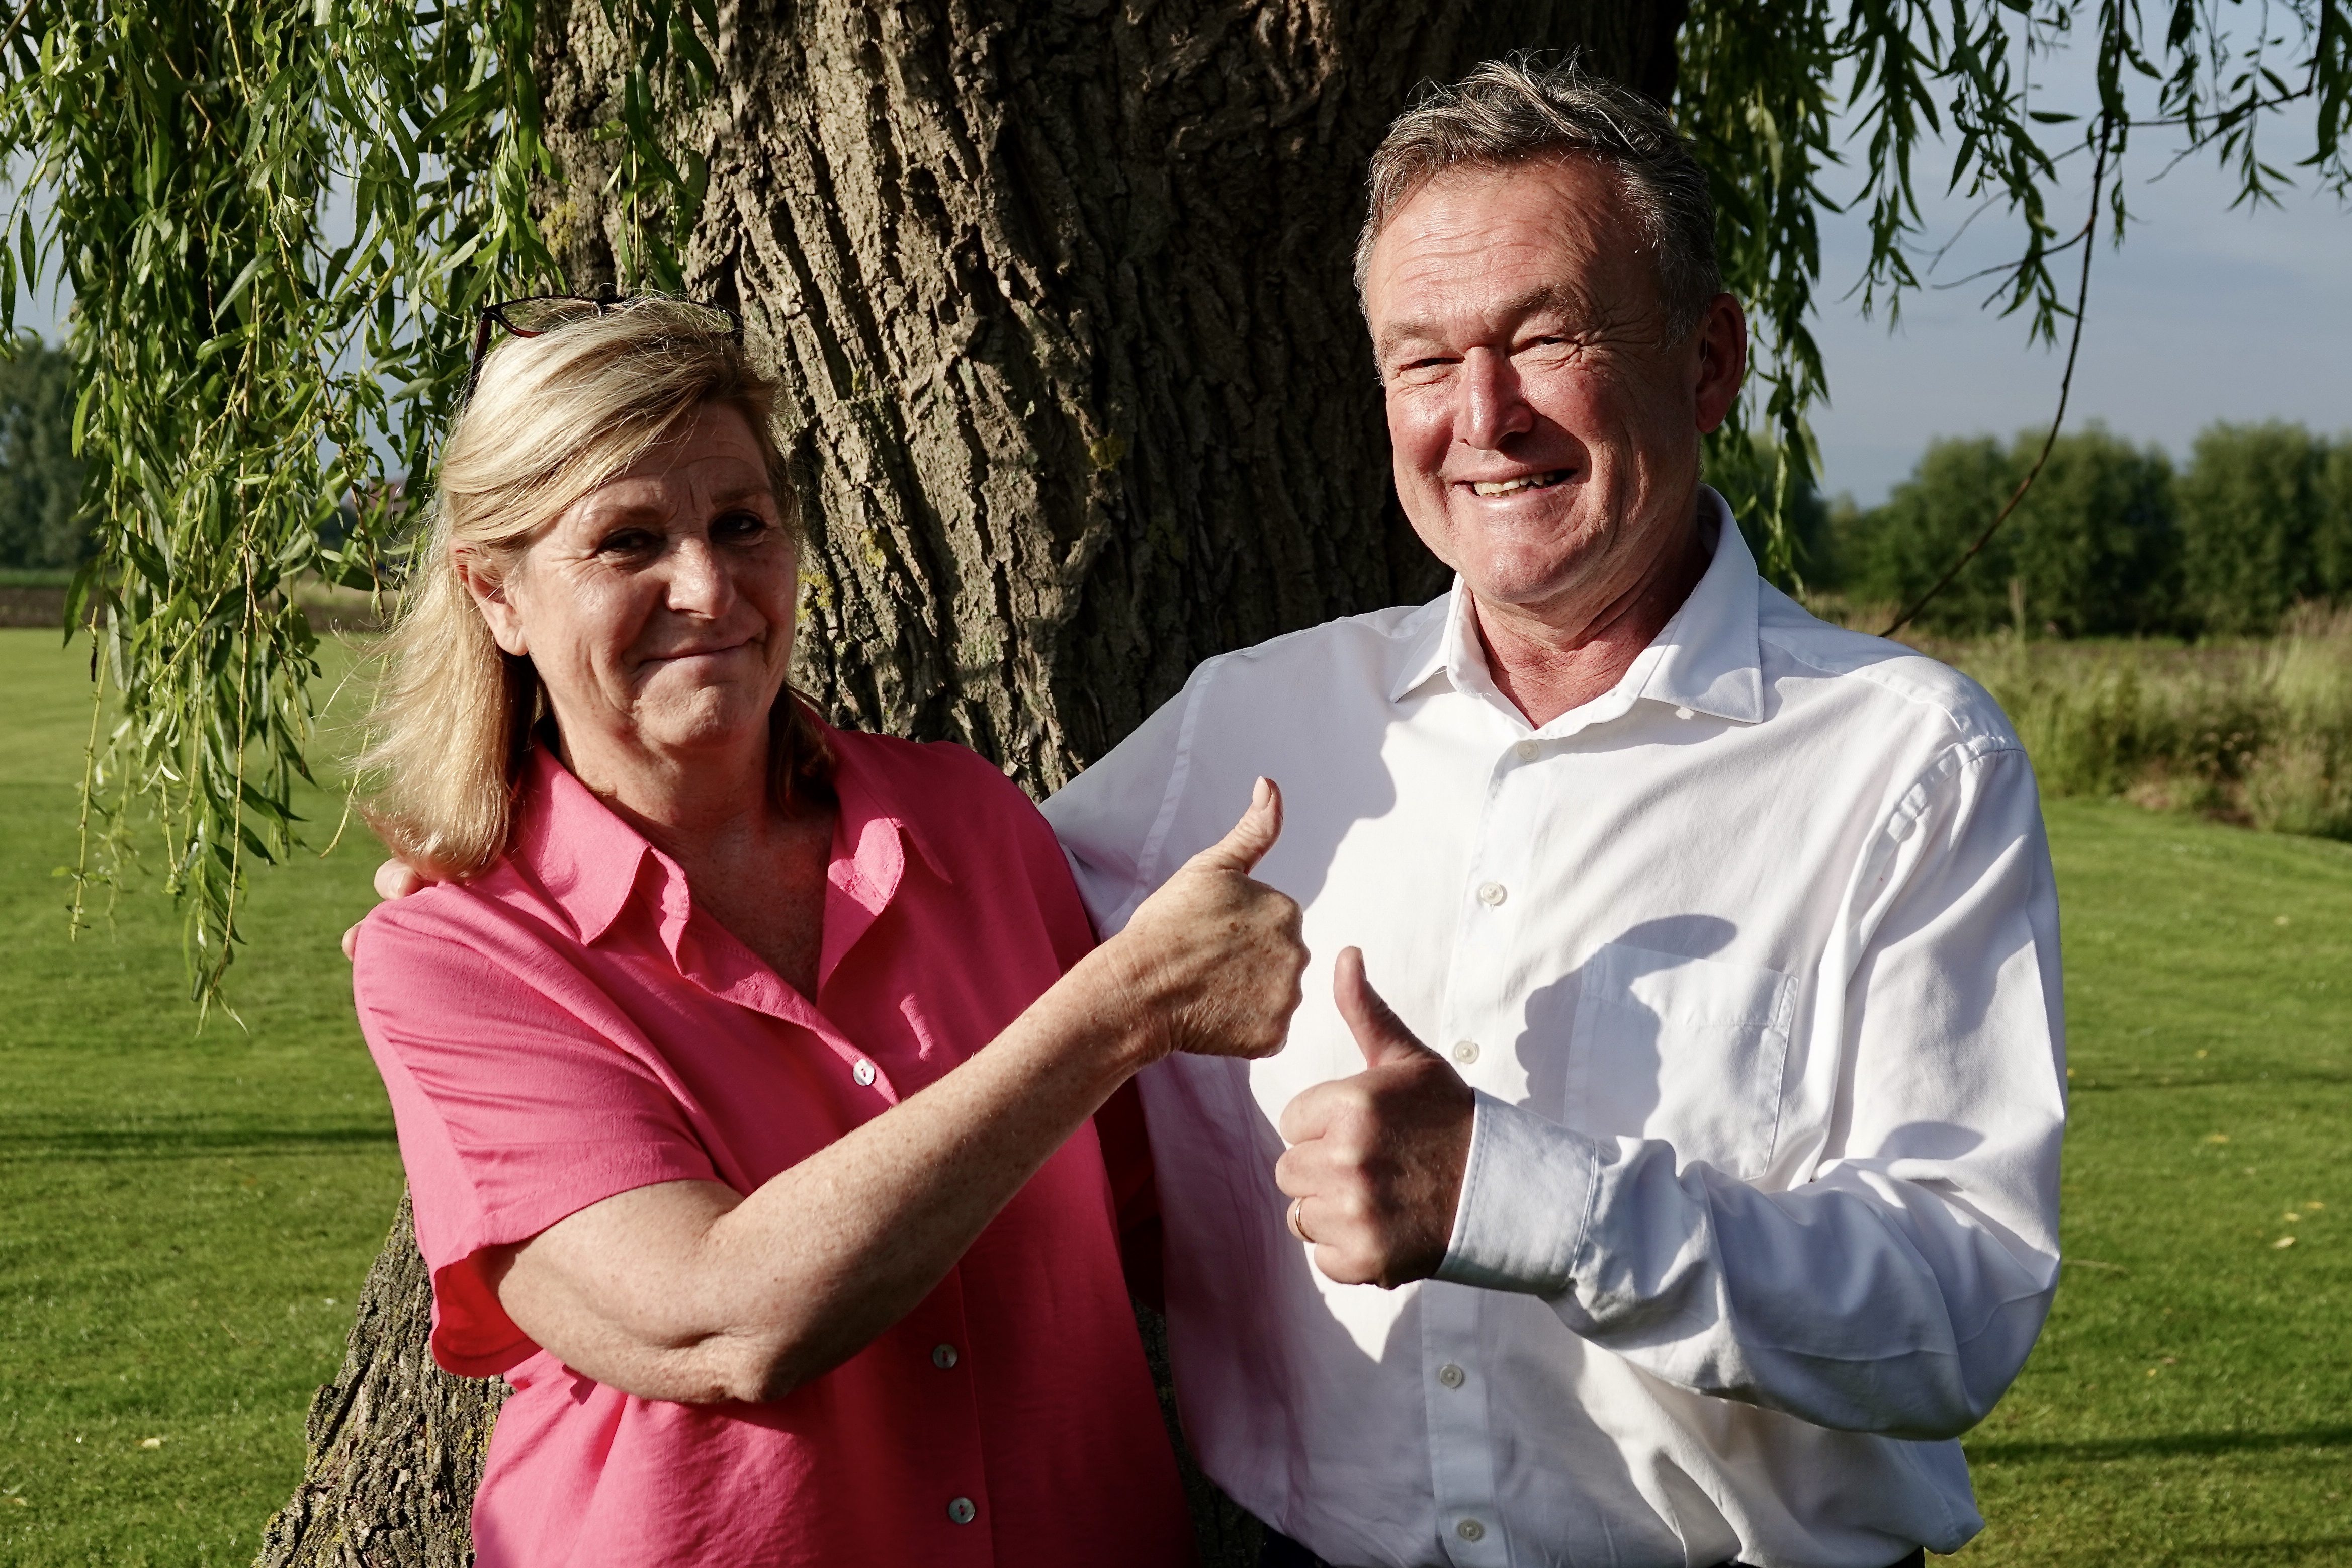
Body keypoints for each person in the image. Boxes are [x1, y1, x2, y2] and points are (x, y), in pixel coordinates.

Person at [1041, 60, 2066, 1568]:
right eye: (1421, 358)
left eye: (1543, 338)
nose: (1481, 416)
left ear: (1706, 362)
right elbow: (945, 939)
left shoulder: (1902, 760)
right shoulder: (1241, 729)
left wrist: (1518, 1195)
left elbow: (1953, 1311)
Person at [342, 296, 1308, 1567]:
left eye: (741, 524)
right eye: (628, 540)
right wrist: (1118, 1007)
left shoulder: (966, 821)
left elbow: (1176, 1211)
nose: (708, 587)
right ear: (496, 593)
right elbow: (720, 1321)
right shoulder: (458, 958)